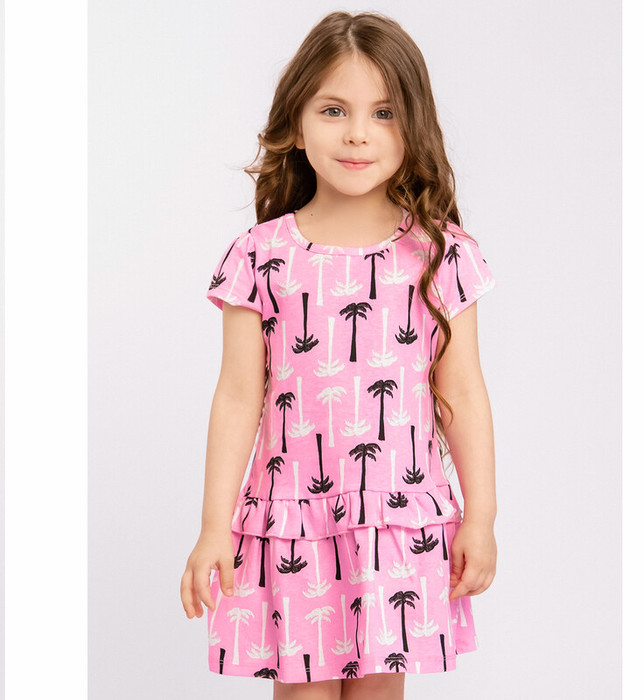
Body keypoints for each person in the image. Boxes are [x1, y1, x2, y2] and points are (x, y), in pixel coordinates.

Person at [180, 9, 497, 700]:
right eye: (333, 110)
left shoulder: (441, 255)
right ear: (296, 125)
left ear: (413, 126)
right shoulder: (260, 257)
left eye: (384, 112)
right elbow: (237, 396)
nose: (357, 133)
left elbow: (462, 394)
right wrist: (211, 528)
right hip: (293, 521)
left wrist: (481, 517)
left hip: (397, 520)